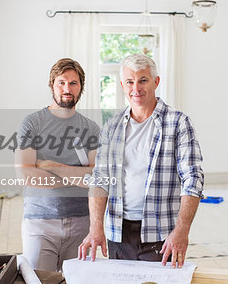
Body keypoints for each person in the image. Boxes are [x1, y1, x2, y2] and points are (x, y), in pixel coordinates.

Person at [78, 53, 204, 268]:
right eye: (130, 81)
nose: (136, 88)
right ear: (122, 85)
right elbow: (100, 179)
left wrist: (182, 230)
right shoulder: (112, 125)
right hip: (118, 232)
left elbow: (193, 179)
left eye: (143, 80)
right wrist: (95, 227)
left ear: (156, 82)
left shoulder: (178, 122)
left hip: (162, 234)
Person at [15, 58, 100, 271]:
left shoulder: (90, 128)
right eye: (61, 82)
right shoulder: (32, 123)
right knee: (39, 280)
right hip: (39, 223)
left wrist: (51, 165)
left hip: (82, 224)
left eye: (73, 83)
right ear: (51, 85)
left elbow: (96, 178)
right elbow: (26, 176)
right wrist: (77, 176)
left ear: (81, 87)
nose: (67, 88)